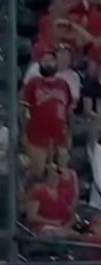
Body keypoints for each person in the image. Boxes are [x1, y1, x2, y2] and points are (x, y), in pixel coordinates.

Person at [21, 49, 73, 177]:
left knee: (62, 171)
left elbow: (69, 111)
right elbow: (24, 109)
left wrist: (69, 133)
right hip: (38, 133)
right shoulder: (33, 83)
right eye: (45, 60)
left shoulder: (63, 84)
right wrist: (24, 132)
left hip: (60, 133)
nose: (48, 63)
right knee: (37, 172)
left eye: (51, 60)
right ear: (39, 64)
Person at [26, 162, 74, 236]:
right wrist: (52, 222)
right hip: (44, 228)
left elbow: (70, 215)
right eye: (52, 174)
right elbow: (31, 217)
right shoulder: (39, 192)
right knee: (50, 232)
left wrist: (69, 224)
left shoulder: (63, 194)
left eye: (57, 174)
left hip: (63, 227)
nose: (55, 176)